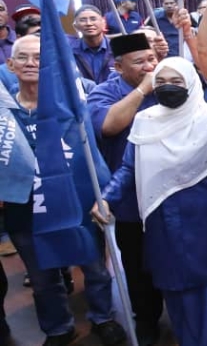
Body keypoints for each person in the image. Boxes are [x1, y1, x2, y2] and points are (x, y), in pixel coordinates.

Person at [94, 58, 207, 346]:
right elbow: (129, 168)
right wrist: (107, 198)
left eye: (175, 81)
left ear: (190, 83)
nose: (167, 87)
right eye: (160, 82)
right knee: (176, 285)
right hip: (163, 220)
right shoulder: (144, 121)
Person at [4, 35, 127, 346]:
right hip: (26, 210)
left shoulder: (72, 107)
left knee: (94, 267)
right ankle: (59, 328)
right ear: (11, 64)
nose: (32, 64)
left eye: (39, 58)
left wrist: (103, 194)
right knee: (43, 278)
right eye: (24, 58)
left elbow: (93, 153)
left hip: (77, 203)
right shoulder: (4, 115)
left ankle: (103, 318)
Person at [88, 32, 163, 345]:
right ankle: (146, 320)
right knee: (137, 265)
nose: (149, 66)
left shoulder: (168, 84)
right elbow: (108, 125)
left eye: (152, 60)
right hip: (130, 197)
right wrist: (144, 89)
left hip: (171, 193)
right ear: (118, 67)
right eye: (140, 62)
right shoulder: (102, 93)